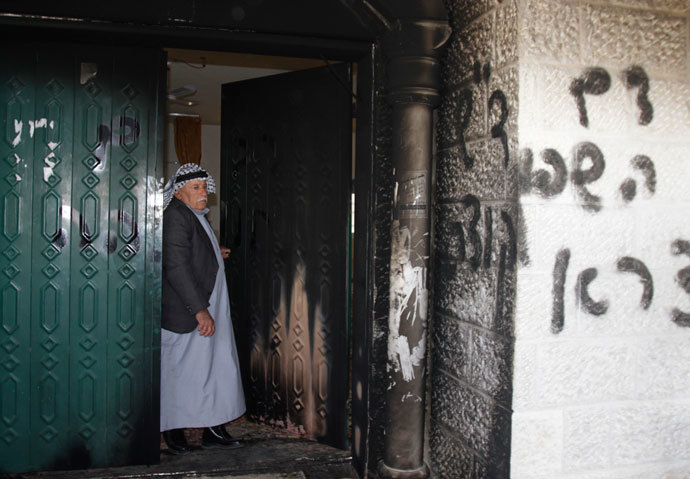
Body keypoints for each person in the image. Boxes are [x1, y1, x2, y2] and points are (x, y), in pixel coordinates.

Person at [160, 163, 246, 454]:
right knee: (181, 372)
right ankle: (172, 431)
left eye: (203, 187)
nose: (202, 193)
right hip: (189, 313)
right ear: (179, 193)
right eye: (195, 188)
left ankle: (212, 426)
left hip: (210, 307)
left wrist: (214, 253)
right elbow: (175, 266)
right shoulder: (175, 216)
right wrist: (199, 310)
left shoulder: (194, 216)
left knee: (213, 370)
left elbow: (192, 251)